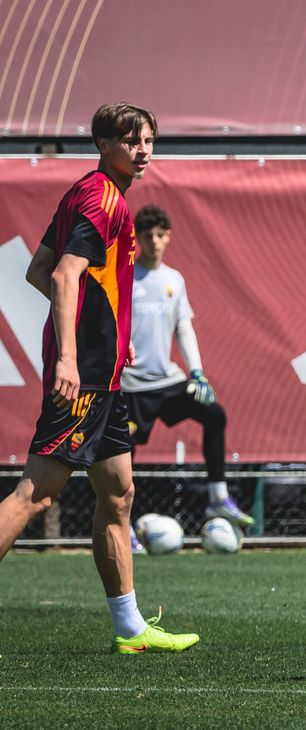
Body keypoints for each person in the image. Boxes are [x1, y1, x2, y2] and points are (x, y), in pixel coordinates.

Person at [0, 103, 199, 653]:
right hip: (84, 377)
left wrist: (104, 331)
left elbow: (36, 270)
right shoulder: (100, 198)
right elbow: (63, 275)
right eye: (133, 141)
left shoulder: (86, 192)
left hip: (103, 373)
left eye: (151, 141)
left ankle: (131, 630)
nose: (145, 151)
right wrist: (71, 355)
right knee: (36, 495)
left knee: (118, 494)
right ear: (103, 143)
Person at [122, 203, 252, 550]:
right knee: (122, 454)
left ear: (168, 237)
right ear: (137, 238)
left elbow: (183, 327)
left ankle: (217, 497)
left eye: (160, 235)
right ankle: (123, 526)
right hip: (131, 387)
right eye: (147, 235)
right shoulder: (124, 276)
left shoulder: (174, 280)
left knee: (214, 414)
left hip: (168, 381)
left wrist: (197, 371)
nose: (154, 241)